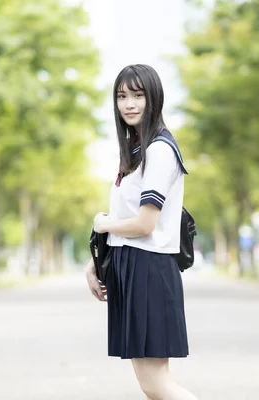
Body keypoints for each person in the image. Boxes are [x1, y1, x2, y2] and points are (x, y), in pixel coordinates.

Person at [85, 64, 198, 400]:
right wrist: (95, 262)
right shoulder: (137, 151)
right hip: (133, 267)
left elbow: (145, 224)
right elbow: (126, 218)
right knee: (152, 387)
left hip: (148, 269)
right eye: (122, 96)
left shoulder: (159, 151)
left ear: (154, 98)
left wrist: (103, 225)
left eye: (137, 95)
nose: (129, 104)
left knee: (157, 384)